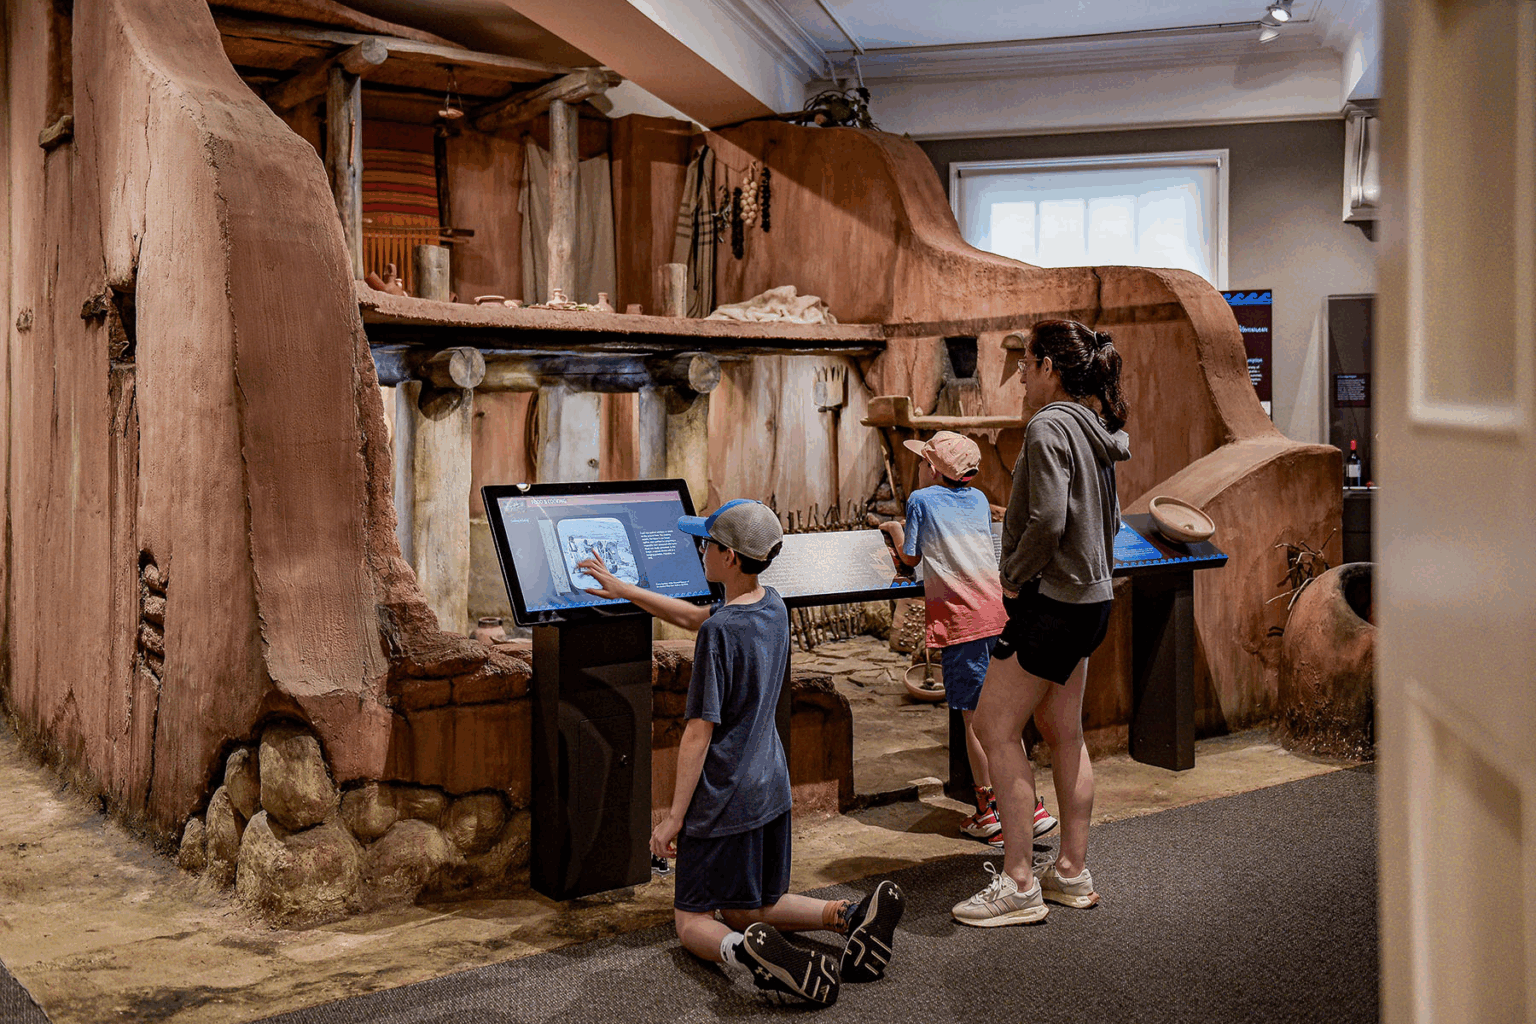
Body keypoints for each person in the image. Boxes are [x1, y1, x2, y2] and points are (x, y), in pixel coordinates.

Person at [577, 498, 904, 1005]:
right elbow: (694, 617)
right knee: (750, 905)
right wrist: (625, 590)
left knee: (692, 920)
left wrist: (672, 821)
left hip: (724, 793)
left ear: (728, 557)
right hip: (769, 787)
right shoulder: (772, 606)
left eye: (706, 543)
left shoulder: (719, 633)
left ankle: (750, 956)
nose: (699, 549)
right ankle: (849, 917)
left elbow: (698, 733)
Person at [951, 319, 1131, 927]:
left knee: (993, 727)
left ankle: (1020, 881)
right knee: (1063, 729)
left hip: (1051, 604)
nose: (1021, 375)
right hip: (1090, 602)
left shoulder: (1049, 425)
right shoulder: (1096, 429)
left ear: (1051, 365)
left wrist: (1013, 578)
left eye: (1027, 363)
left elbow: (1049, 520)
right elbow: (1106, 523)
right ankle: (1072, 873)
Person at [878, 431, 1058, 849]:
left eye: (923, 461)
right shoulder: (977, 499)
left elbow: (911, 556)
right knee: (1003, 718)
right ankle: (1024, 803)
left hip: (962, 623)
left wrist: (892, 527)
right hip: (997, 614)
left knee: (974, 721)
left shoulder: (921, 501)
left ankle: (991, 810)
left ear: (934, 469)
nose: (918, 467)